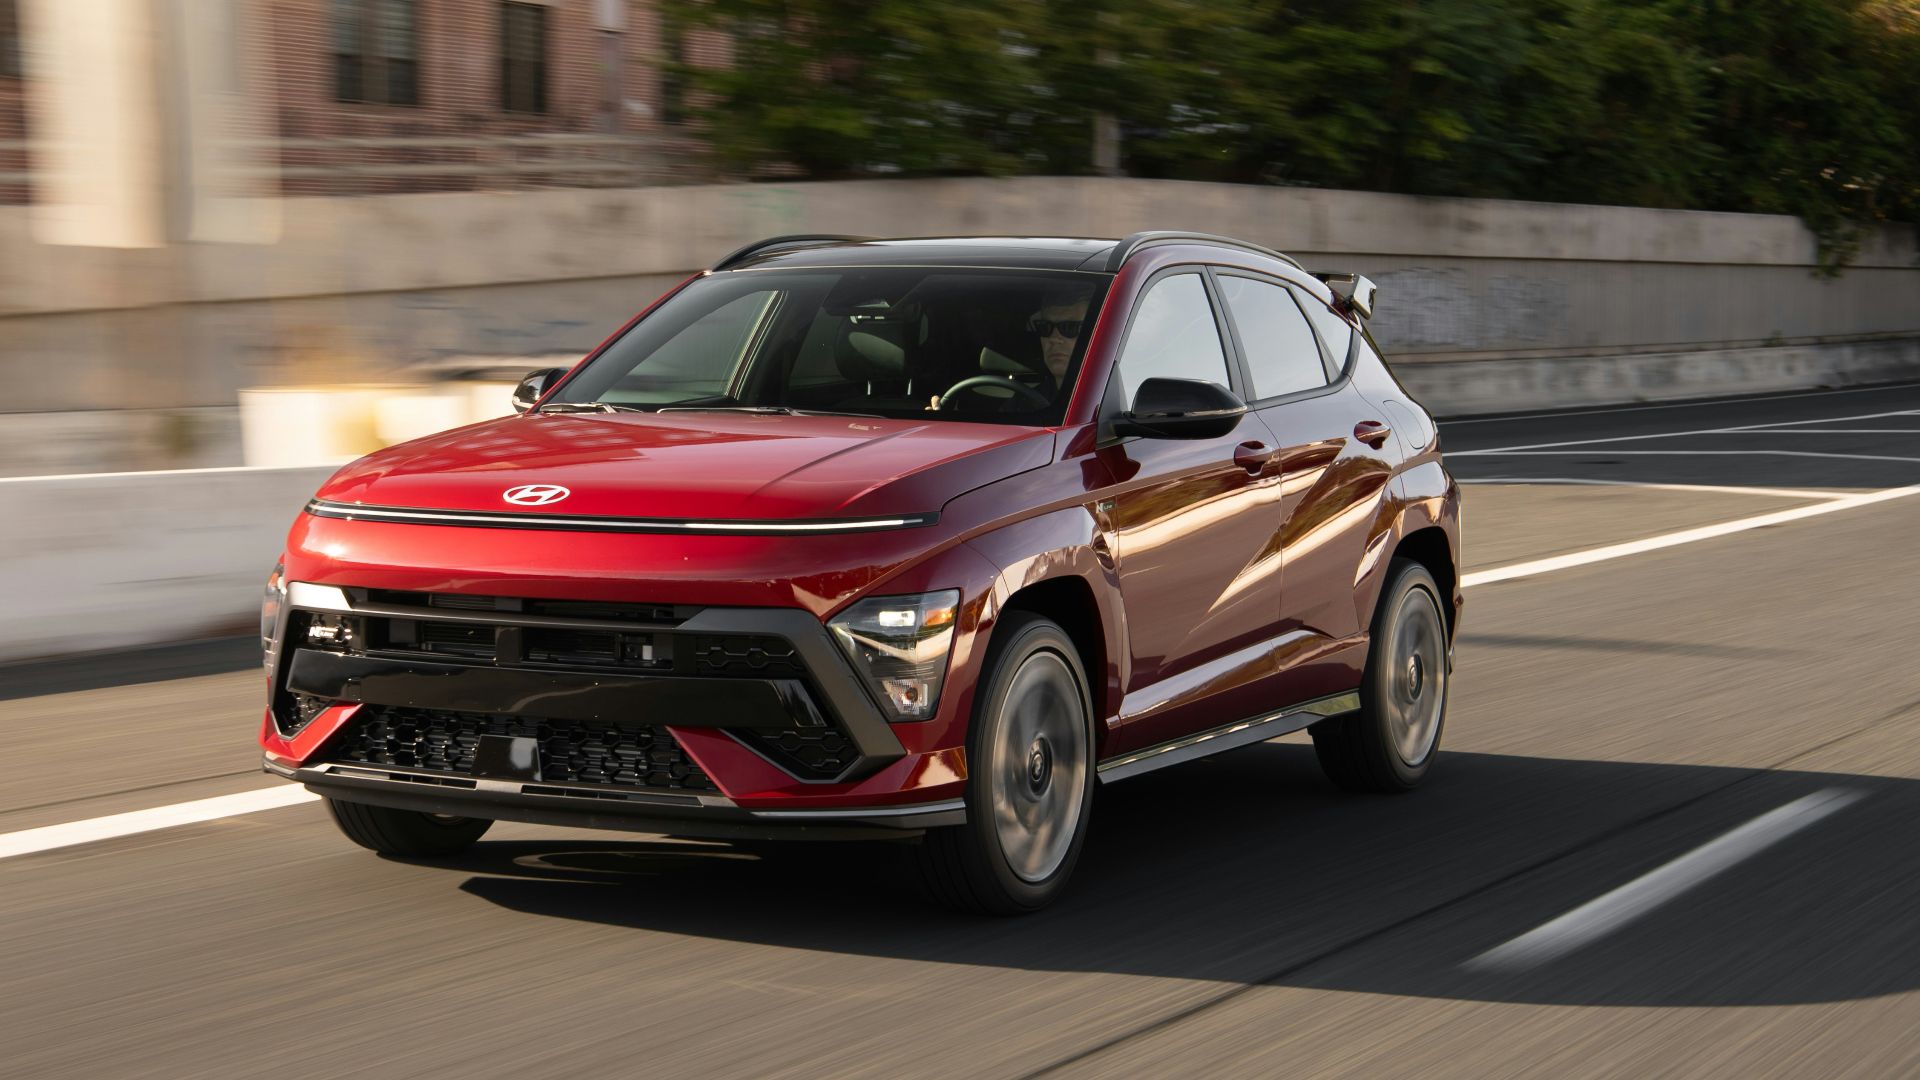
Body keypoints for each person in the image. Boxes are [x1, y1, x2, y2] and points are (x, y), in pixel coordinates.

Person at [1028, 290, 1091, 388]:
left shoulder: (1115, 397)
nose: (1053, 339)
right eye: (1045, 327)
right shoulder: (1027, 401)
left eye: (1069, 327)